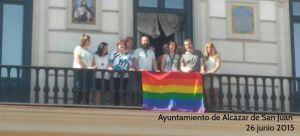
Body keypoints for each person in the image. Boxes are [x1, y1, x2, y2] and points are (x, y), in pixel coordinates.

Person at [108, 39, 134, 105]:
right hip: (115, 76)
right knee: (115, 91)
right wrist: (110, 67)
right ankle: (116, 106)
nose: (122, 45)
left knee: (124, 91)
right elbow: (110, 63)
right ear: (118, 45)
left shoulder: (128, 55)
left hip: (125, 76)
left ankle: (122, 105)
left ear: (125, 45)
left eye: (123, 44)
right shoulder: (114, 53)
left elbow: (131, 65)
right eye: (120, 44)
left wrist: (131, 68)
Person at [73, 33, 95, 104]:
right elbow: (77, 59)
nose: (89, 42)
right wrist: (86, 67)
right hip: (80, 71)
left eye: (89, 40)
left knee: (87, 89)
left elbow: (93, 62)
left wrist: (93, 67)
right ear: (83, 41)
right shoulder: (78, 48)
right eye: (88, 40)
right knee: (79, 88)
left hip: (88, 72)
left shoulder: (90, 51)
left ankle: (86, 105)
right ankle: (76, 105)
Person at [202, 42, 221, 110]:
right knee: (207, 92)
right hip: (207, 76)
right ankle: (209, 107)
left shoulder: (216, 55)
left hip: (215, 75)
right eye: (207, 47)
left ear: (213, 48)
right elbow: (203, 66)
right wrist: (204, 72)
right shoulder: (205, 57)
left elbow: (218, 65)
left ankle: (217, 107)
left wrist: (212, 72)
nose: (209, 49)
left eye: (210, 47)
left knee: (215, 92)